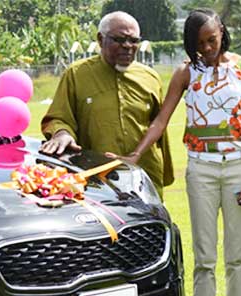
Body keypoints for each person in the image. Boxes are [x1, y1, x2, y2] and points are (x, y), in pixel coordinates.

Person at [110, 8, 241, 296]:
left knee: (237, 260)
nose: (207, 48)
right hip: (201, 172)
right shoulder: (185, 72)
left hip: (239, 169)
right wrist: (134, 155)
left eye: (212, 40)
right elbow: (161, 120)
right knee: (204, 261)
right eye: (199, 44)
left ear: (222, 32)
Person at [40, 11, 173, 196]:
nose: (127, 46)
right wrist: (62, 133)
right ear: (101, 39)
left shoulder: (150, 77)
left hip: (145, 175)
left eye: (134, 40)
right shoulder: (77, 75)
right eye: (119, 39)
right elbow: (59, 117)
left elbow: (159, 127)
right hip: (96, 179)